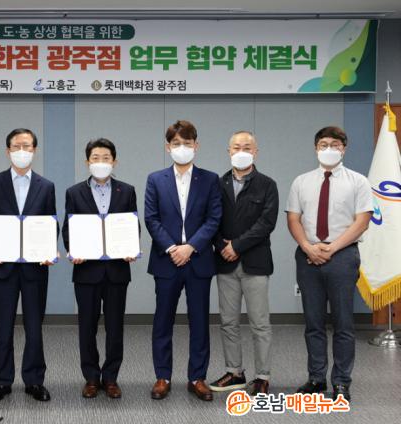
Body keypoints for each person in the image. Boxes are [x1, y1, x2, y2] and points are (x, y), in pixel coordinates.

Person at [286, 126, 372, 402]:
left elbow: (362, 221)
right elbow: (293, 218)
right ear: (316, 148)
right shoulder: (301, 182)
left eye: (335, 144)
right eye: (323, 144)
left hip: (343, 255)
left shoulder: (358, 181)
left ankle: (342, 381)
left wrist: (332, 248)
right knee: (313, 323)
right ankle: (316, 378)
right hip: (308, 255)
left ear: (344, 149)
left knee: (343, 323)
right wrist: (308, 247)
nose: (329, 149)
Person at [0, 128, 57, 402]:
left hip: (35, 268)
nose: (21, 151)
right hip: (3, 268)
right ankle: (2, 381)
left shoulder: (46, 186)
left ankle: (34, 380)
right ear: (8, 151)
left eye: (27, 146)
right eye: (16, 146)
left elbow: (50, 224)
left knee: (34, 328)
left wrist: (49, 249)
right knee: (3, 328)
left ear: (34, 150)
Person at [145, 120, 222, 402]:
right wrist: (171, 248)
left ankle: (197, 377)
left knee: (199, 321)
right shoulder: (155, 179)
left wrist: (190, 247)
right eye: (176, 143)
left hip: (198, 260)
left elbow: (214, 218)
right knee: (162, 321)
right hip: (166, 262)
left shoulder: (210, 179)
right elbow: (151, 218)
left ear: (196, 146)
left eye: (187, 144)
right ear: (168, 147)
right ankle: (162, 376)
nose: (182, 148)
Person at [62, 138, 138, 399]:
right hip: (86, 271)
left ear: (114, 161)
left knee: (115, 328)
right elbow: (68, 228)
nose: (101, 162)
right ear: (87, 162)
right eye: (96, 158)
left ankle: (111, 378)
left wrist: (131, 247)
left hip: (117, 270)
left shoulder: (127, 191)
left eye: (106, 158)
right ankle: (92, 378)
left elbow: (133, 225)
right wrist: (73, 250)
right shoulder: (74, 192)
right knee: (87, 328)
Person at [208, 131, 278, 396]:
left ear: (255, 152)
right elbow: (210, 220)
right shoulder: (217, 184)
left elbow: (266, 223)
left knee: (259, 323)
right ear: (228, 151)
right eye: (236, 147)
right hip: (224, 263)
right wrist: (221, 246)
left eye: (247, 147)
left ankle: (262, 376)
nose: (241, 151)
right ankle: (234, 372)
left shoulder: (267, 184)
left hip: (255, 263)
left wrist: (236, 246)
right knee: (228, 322)